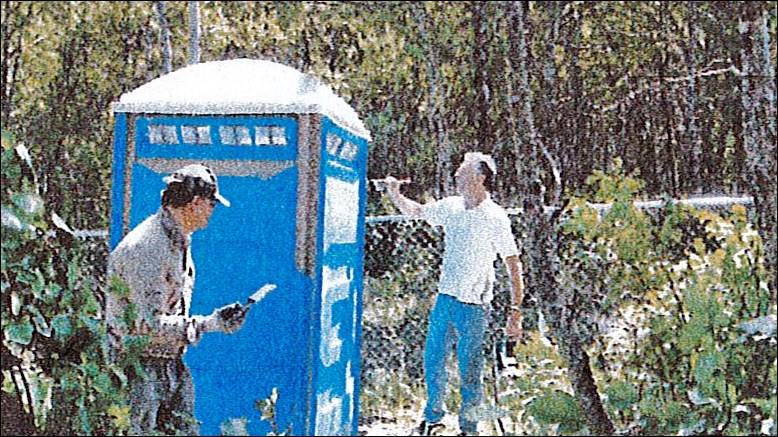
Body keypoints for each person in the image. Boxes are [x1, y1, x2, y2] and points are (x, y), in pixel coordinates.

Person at [383, 152, 525, 436]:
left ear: (480, 177)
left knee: (470, 371)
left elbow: (513, 263)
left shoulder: (495, 217)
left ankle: (469, 428)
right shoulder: (451, 207)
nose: (457, 175)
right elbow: (417, 212)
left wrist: (516, 311)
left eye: (462, 171)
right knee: (433, 359)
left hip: (474, 306)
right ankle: (434, 419)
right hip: (445, 299)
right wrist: (394, 193)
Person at [105, 163, 249, 435]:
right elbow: (146, 326)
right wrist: (210, 323)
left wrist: (215, 322)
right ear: (195, 203)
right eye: (211, 204)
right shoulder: (147, 247)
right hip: (137, 369)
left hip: (168, 364)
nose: (212, 211)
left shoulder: (177, 238)